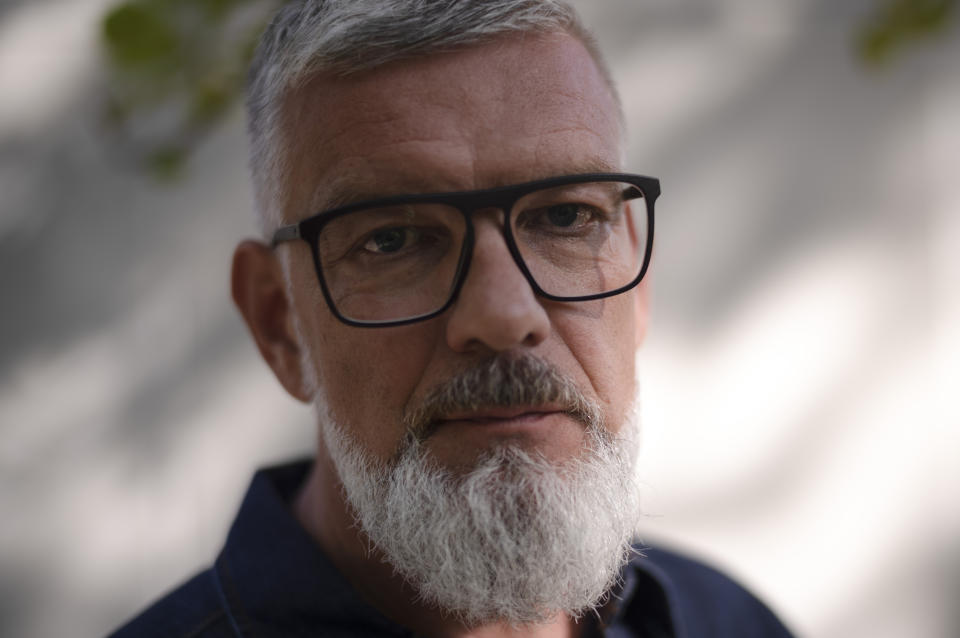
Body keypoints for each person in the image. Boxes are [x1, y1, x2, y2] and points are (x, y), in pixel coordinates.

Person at [110, 1, 793, 636]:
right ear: (279, 321)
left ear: (638, 289)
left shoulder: (727, 620)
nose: (504, 317)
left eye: (566, 217)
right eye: (393, 240)